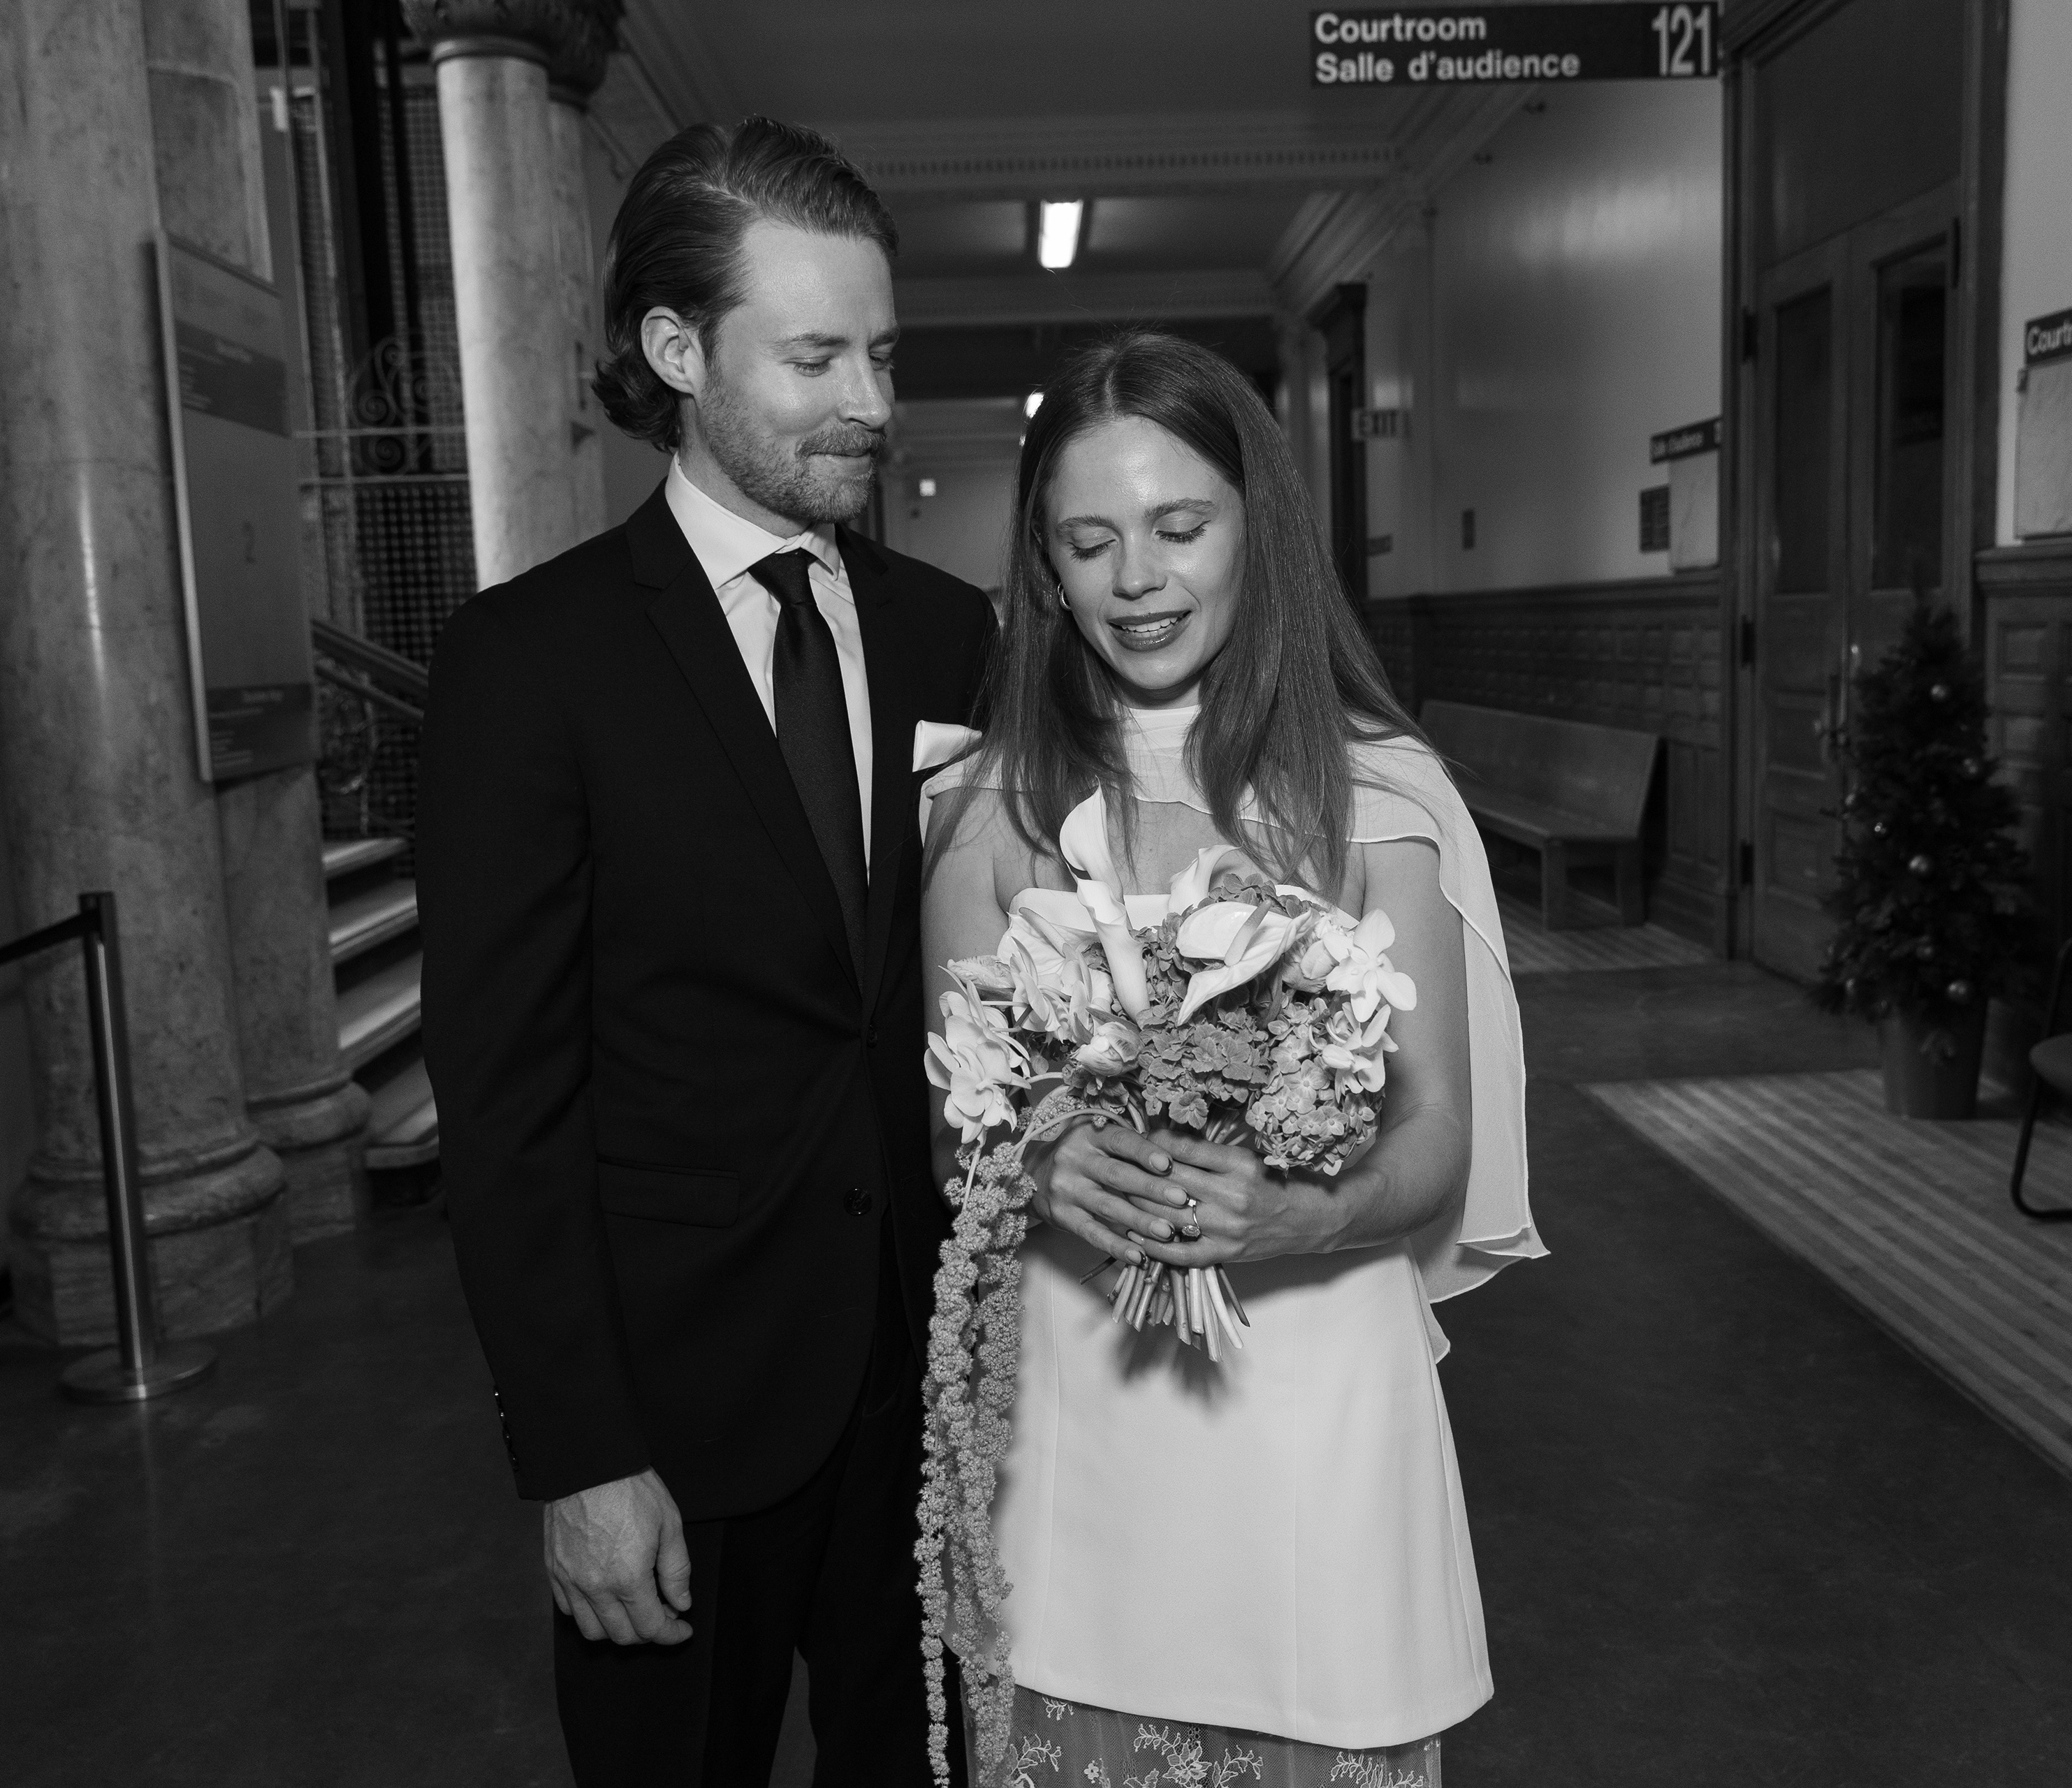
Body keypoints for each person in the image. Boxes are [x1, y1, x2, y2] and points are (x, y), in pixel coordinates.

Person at [419, 117, 993, 1786]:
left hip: (923, 1387)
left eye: (882, 352)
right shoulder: (532, 663)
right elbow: (506, 1101)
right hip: (676, 1416)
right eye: (815, 355)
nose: (871, 403)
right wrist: (579, 1454)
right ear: (677, 351)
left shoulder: (949, 630)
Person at [919, 332, 1542, 1783]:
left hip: (1320, 1409)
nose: (1137, 575)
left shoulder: (1379, 790)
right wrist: (1046, 1154)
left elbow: (1440, 1126)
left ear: (1258, 526)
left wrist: (1306, 1209)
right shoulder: (983, 802)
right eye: (1090, 539)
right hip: (1086, 1418)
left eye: (1180, 526)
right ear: (1046, 568)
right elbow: (955, 1117)